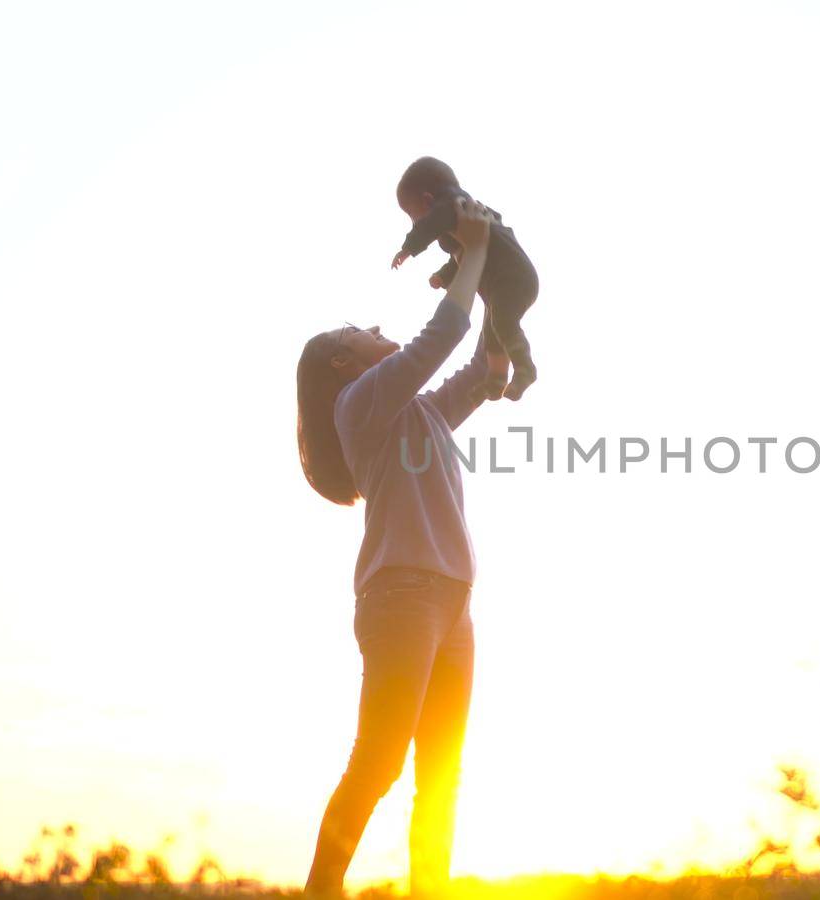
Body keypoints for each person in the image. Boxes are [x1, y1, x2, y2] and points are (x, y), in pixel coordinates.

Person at [296, 196, 496, 899]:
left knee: (440, 778)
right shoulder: (361, 404)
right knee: (380, 764)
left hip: (454, 607)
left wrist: (493, 284)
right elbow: (442, 335)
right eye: (363, 329)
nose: (379, 329)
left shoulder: (419, 414)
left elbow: (479, 373)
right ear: (344, 362)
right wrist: (470, 252)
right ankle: (322, 890)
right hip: (402, 599)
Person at [390, 156, 540, 401]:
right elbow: (463, 255)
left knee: (502, 322)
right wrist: (443, 276)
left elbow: (433, 225)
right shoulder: (467, 221)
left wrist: (410, 246)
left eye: (412, 216)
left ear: (428, 202)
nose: (415, 222)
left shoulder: (453, 205)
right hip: (504, 283)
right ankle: (496, 381)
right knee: (493, 331)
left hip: (514, 279)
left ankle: (525, 367)